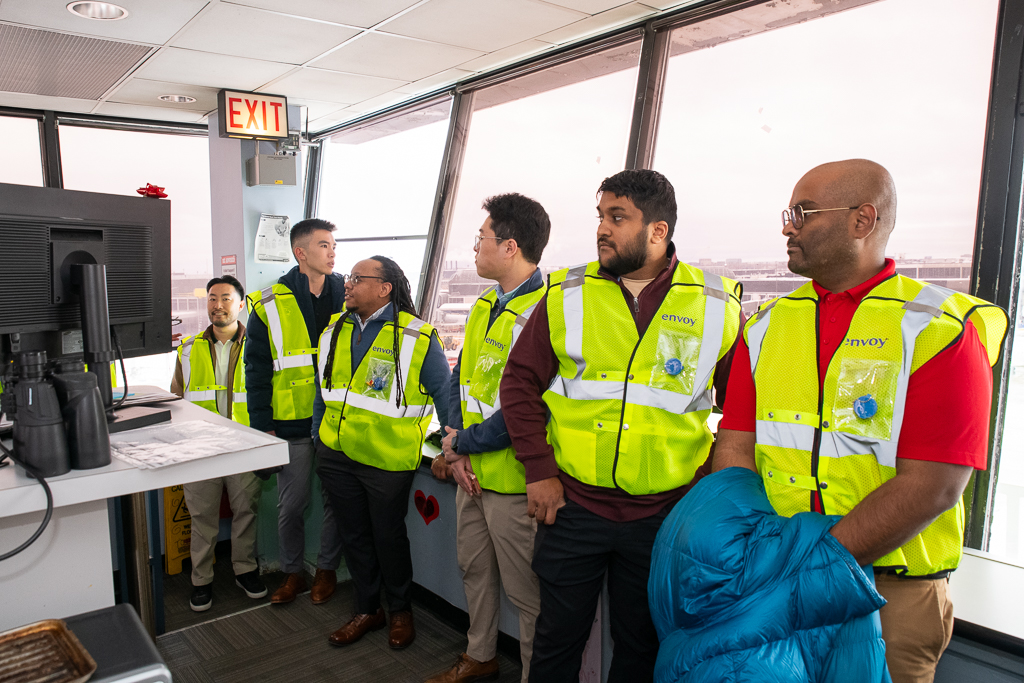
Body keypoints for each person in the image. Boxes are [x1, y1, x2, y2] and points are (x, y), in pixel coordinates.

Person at [712, 159, 1007, 683]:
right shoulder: (765, 326)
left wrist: (812, 566)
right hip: (776, 575)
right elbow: (735, 448)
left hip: (888, 594)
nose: (787, 227)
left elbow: (933, 486)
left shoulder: (937, 330)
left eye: (802, 213)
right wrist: (756, 553)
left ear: (862, 220)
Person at [500, 169, 744, 682]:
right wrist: (539, 470)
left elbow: (742, 411)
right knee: (555, 643)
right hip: (572, 506)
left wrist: (703, 485)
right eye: (600, 216)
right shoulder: (566, 292)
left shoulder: (717, 303)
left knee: (642, 648)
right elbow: (519, 382)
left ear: (658, 230)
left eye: (617, 217)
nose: (602, 229)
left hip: (665, 515)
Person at [427, 194, 551, 683]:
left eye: (481, 238)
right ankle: (480, 655)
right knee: (475, 571)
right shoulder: (483, 305)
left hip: (515, 481)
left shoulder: (548, 311)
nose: (475, 247)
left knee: (527, 594)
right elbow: (461, 381)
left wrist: (463, 445)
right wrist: (455, 446)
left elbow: (530, 406)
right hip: (471, 471)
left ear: (510, 246)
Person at [315, 256, 451, 651]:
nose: (347, 283)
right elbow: (323, 392)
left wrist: (450, 449)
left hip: (386, 460)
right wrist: (318, 440)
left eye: (357, 278)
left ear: (384, 288)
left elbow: (446, 396)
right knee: (354, 536)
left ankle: (401, 611)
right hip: (336, 454)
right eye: (349, 277)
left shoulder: (416, 336)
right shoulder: (334, 330)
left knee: (388, 538)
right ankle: (367, 609)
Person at [244, 218, 346, 606]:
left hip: (337, 421)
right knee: (291, 506)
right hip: (292, 424)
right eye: (323, 245)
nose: (332, 252)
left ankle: (326, 570)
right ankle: (292, 573)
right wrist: (262, 426)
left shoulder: (348, 294)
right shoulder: (269, 303)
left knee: (337, 502)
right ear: (300, 253)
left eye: (333, 245)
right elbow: (255, 371)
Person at [171, 275, 264, 612]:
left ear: (240, 304)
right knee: (202, 518)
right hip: (201, 448)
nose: (218, 305)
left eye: (226, 298)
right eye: (212, 298)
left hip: (244, 445)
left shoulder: (258, 345)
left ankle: (245, 570)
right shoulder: (188, 349)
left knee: (246, 512)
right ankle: (201, 580)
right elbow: (176, 399)